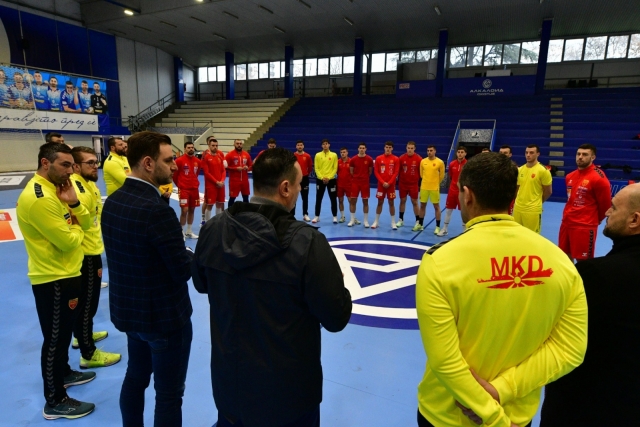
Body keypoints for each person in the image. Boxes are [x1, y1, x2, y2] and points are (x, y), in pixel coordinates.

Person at [415, 152, 587, 427]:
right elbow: (571, 348)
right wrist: (501, 391)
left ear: (467, 195)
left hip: (446, 415)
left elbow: (445, 361)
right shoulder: (560, 262)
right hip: (516, 413)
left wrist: (493, 418)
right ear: (514, 195)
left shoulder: (439, 261)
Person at [192, 147, 352, 427]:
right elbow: (336, 317)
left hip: (231, 385)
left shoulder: (214, 229)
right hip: (288, 397)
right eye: (300, 184)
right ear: (285, 188)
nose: (301, 190)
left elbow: (201, 283)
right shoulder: (307, 243)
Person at [101, 131, 194, 427]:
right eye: (168, 160)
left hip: (130, 314)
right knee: (168, 395)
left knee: (135, 378)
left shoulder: (113, 201)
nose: (175, 165)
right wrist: (195, 255)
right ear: (148, 163)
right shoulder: (155, 211)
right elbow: (182, 270)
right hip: (163, 319)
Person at [540, 184, 640, 427]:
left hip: (586, 405)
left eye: (614, 208)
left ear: (634, 220)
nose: (606, 212)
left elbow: (553, 342)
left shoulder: (595, 275)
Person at [17, 142, 96, 420]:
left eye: (72, 165)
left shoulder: (57, 190)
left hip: (66, 272)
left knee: (62, 335)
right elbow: (68, 240)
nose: (71, 170)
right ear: (45, 163)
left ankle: (63, 372)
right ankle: (55, 400)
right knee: (55, 339)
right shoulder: (40, 198)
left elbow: (85, 222)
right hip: (53, 277)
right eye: (65, 165)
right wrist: (77, 227)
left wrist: (74, 208)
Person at [69, 146, 121, 368]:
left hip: (92, 247)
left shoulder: (86, 183)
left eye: (95, 161)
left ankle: (82, 335)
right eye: (89, 163)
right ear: (76, 166)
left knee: (87, 303)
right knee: (87, 304)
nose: (95, 166)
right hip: (87, 252)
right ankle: (88, 354)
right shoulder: (78, 188)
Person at [558, 144, 611, 261]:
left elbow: (606, 205)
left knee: (584, 262)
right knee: (565, 258)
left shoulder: (599, 178)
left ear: (593, 157)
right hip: (566, 223)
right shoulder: (570, 176)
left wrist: (594, 220)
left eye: (585, 154)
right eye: (578, 154)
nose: (580, 157)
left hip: (584, 227)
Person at [513, 144, 552, 234]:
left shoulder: (543, 171)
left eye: (531, 153)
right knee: (518, 235)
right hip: (518, 208)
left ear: (538, 154)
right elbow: (517, 189)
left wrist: (538, 202)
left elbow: (548, 191)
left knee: (532, 236)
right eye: (526, 152)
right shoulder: (520, 169)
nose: (528, 155)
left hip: (533, 210)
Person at [174, 142, 202, 240]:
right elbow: (175, 175)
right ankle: (181, 231)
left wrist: (193, 183)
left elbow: (196, 174)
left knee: (192, 209)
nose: (191, 149)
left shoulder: (198, 161)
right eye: (189, 147)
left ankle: (189, 231)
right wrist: (180, 185)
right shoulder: (179, 161)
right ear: (185, 149)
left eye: (192, 147)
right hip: (184, 190)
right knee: (184, 210)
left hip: (194, 189)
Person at [437, 146, 467, 236]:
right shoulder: (452, 164)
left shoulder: (468, 165)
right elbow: (451, 176)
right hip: (452, 191)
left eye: (462, 152)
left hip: (462, 192)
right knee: (448, 210)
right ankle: (445, 229)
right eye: (459, 152)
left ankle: (465, 231)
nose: (460, 154)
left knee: (464, 212)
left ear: (465, 153)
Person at [372, 141, 400, 230]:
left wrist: (389, 183)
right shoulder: (379, 158)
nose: (388, 149)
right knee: (379, 202)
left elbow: (396, 172)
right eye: (387, 147)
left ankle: (393, 222)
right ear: (384, 148)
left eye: (389, 147)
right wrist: (382, 182)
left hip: (391, 185)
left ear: (392, 148)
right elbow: (376, 172)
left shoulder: (396, 159)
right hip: (381, 185)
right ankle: (376, 221)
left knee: (391, 203)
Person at [418, 145, 445, 233]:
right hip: (424, 187)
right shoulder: (423, 161)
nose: (429, 152)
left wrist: (435, 182)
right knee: (422, 206)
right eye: (428, 150)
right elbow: (421, 174)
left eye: (431, 150)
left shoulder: (440, 162)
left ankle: (437, 227)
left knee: (436, 207)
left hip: (434, 188)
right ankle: (420, 224)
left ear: (435, 151)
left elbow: (442, 176)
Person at [312, 139, 338, 224]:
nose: (325, 145)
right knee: (318, 198)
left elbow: (335, 168)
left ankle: (334, 216)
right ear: (321, 146)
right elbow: (316, 168)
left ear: (329, 145)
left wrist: (329, 178)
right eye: (323, 144)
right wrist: (322, 177)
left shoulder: (334, 155)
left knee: (333, 198)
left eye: (326, 144)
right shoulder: (317, 155)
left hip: (331, 180)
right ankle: (317, 216)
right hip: (320, 180)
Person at [397, 141, 422, 229]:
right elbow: (398, 171)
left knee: (414, 202)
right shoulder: (401, 158)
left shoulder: (419, 159)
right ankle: (401, 220)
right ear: (406, 148)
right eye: (408, 148)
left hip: (413, 184)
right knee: (402, 201)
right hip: (403, 183)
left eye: (411, 148)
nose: (410, 150)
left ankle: (418, 221)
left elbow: (421, 172)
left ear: (414, 149)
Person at [348, 143, 373, 227]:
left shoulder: (369, 159)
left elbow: (370, 171)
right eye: (360, 148)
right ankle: (352, 220)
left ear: (365, 149)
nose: (362, 149)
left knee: (365, 201)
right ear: (358, 149)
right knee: (353, 201)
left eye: (363, 148)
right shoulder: (353, 159)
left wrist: (363, 177)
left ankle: (365, 221)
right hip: (355, 182)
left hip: (365, 183)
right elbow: (351, 171)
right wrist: (357, 177)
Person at [201, 136, 226, 221]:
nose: (215, 147)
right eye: (213, 145)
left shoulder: (219, 156)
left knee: (219, 204)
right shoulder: (206, 157)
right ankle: (207, 223)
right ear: (209, 146)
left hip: (220, 185)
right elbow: (207, 173)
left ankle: (217, 223)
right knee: (210, 205)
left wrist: (222, 180)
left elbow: (223, 170)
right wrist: (216, 182)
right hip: (211, 185)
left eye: (216, 145)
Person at [225, 139, 253, 208]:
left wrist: (247, 168)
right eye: (237, 144)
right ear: (234, 144)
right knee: (232, 198)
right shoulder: (229, 155)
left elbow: (251, 166)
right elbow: (225, 167)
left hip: (245, 181)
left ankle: (246, 212)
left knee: (246, 198)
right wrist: (235, 169)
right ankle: (230, 212)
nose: (239, 145)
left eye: (240, 144)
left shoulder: (246, 154)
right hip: (234, 181)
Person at [293, 139, 313, 222]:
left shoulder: (307, 156)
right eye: (298, 145)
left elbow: (310, 167)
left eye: (301, 145)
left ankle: (305, 214)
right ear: (296, 146)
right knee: (293, 197)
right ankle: (292, 215)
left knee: (305, 197)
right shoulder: (293, 156)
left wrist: (305, 174)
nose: (299, 146)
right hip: (295, 179)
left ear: (303, 146)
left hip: (304, 179)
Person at [336, 147, 352, 223]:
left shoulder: (351, 161)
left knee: (351, 201)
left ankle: (353, 217)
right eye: (341, 152)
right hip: (340, 185)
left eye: (344, 152)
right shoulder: (337, 162)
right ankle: (342, 216)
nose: (343, 154)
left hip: (349, 185)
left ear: (347, 153)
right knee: (340, 200)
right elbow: (335, 172)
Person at [499, 145, 516, 215]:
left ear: (510, 154)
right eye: (501, 153)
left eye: (505, 153)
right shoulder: (492, 167)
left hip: (509, 200)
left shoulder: (514, 169)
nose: (502, 155)